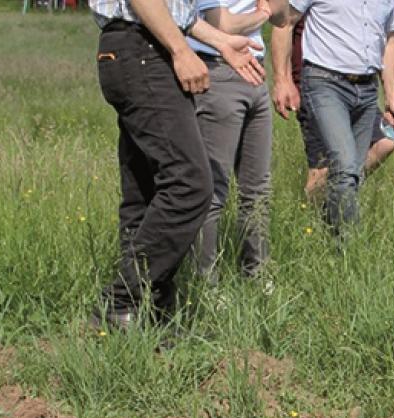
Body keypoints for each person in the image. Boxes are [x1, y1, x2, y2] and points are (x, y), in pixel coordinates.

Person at [89, 0, 270, 329]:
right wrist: (182, 51)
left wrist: (218, 41)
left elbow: (172, 9)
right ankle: (121, 301)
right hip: (143, 47)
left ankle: (150, 318)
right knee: (190, 184)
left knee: (146, 192)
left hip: (140, 44)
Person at [269, 0, 394, 239]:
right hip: (324, 82)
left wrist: (392, 94)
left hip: (367, 88)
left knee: (351, 170)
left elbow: (389, 38)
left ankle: (324, 232)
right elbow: (285, 22)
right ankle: (350, 250)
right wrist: (283, 80)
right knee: (344, 167)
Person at [188, 0, 288, 282]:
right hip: (218, 70)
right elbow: (222, 23)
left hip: (255, 72)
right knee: (213, 187)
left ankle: (257, 274)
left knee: (258, 188)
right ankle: (206, 282)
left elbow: (283, 16)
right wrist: (262, 13)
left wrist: (269, 12)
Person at [283, 15, 394, 201]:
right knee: (321, 168)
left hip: (358, 84)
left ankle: (340, 190)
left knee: (386, 141)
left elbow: (365, 28)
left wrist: (386, 69)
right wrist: (285, 81)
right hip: (316, 84)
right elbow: (284, 25)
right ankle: (312, 214)